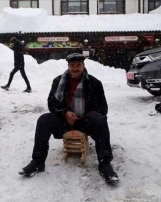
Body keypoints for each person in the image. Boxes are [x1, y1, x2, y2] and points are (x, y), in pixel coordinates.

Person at [19, 53, 119, 185]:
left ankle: (104, 163)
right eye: (72, 65)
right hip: (65, 121)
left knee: (100, 119)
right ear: (68, 66)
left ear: (83, 65)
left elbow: (103, 109)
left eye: (78, 65)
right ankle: (38, 162)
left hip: (86, 121)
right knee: (43, 120)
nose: (75, 68)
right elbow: (51, 104)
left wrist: (88, 116)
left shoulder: (94, 83)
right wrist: (65, 113)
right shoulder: (58, 81)